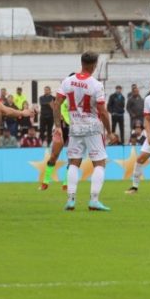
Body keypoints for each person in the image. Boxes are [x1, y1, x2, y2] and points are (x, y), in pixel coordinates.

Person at [53, 52, 116, 211]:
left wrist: (58, 126)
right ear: (94, 65)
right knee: (99, 163)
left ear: (81, 63)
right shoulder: (96, 84)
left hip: (75, 127)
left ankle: (71, 200)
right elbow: (102, 111)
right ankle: (94, 200)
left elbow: (56, 104)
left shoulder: (68, 81)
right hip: (93, 128)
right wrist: (109, 131)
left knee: (74, 163)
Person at [40, 75, 73, 191]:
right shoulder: (62, 94)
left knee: (72, 158)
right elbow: (56, 108)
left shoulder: (80, 95)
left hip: (75, 129)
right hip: (62, 128)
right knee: (54, 156)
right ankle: (45, 182)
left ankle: (66, 184)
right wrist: (58, 123)